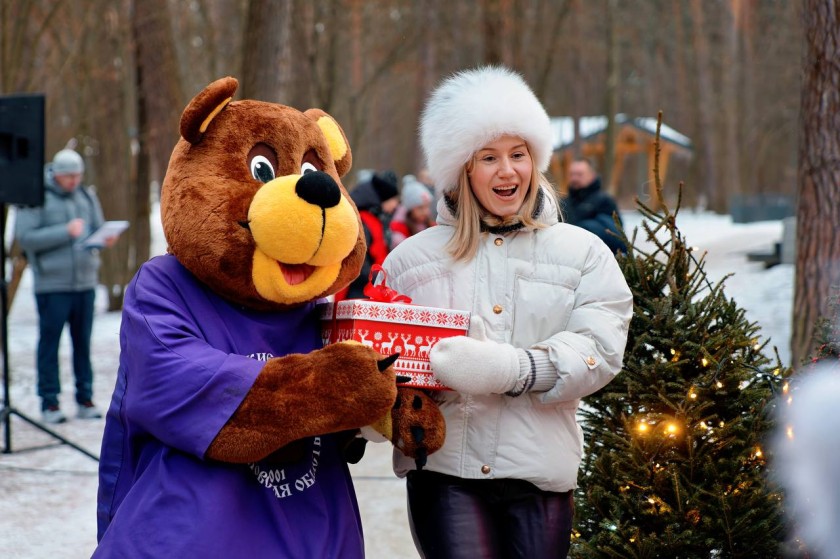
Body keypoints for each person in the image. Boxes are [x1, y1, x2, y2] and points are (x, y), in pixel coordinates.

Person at [382, 66, 633, 558]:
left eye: (519, 155)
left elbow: (601, 348)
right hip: (444, 473)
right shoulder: (410, 262)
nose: (508, 170)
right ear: (461, 170)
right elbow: (382, 354)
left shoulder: (583, 253)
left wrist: (515, 369)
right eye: (489, 157)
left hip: (539, 472)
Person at [14, 148, 118, 423]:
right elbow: (25, 237)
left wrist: (103, 237)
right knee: (50, 344)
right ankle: (50, 403)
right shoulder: (37, 197)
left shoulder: (86, 195)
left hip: (84, 283)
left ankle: (85, 399)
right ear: (56, 175)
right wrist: (65, 231)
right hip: (52, 285)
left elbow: (96, 227)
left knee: (82, 344)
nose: (73, 181)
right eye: (68, 176)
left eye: (77, 175)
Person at [341, 170, 399, 299]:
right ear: (383, 199)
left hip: (368, 284)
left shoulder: (375, 218)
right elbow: (359, 258)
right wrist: (375, 279)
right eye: (393, 200)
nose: (395, 205)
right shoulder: (364, 220)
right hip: (359, 288)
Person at [562, 157, 627, 254]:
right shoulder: (563, 203)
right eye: (572, 174)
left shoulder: (605, 201)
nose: (574, 178)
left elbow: (613, 233)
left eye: (579, 174)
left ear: (592, 175)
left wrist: (578, 231)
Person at [389, 174, 436, 249]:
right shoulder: (398, 234)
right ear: (409, 209)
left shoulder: (431, 226)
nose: (426, 212)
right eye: (420, 208)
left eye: (427, 206)